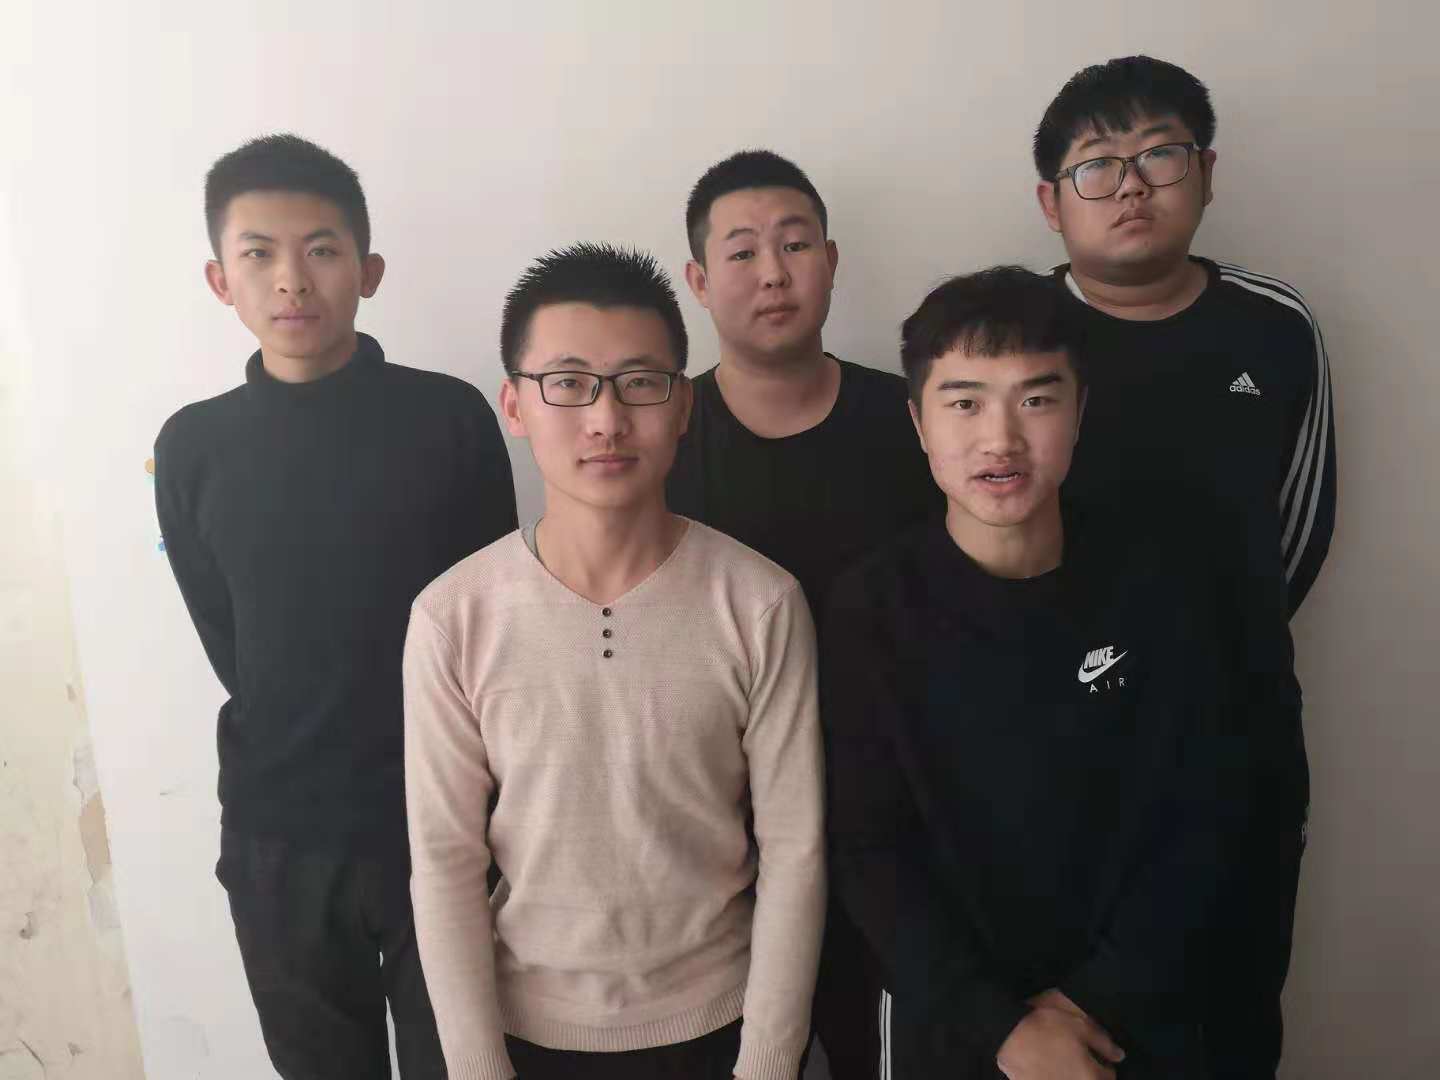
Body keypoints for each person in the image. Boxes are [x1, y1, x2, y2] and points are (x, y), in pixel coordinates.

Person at [825, 266, 1274, 1078]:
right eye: (965, 403)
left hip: (1136, 1013)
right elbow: (868, 848)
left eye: (1036, 399)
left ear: (1080, 410)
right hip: (947, 1025)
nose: (1000, 439)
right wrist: (1003, 1029)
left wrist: (1088, 1005)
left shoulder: (1161, 589)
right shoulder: (868, 611)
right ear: (918, 422)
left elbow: (1208, 809)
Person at [403, 242, 826, 1080]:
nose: (605, 418)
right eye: (567, 383)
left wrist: (768, 1063)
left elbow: (795, 850)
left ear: (683, 403)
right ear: (515, 405)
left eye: (639, 382)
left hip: (722, 1026)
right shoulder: (453, 616)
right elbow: (444, 863)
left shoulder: (760, 601)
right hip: (527, 1035)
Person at [154, 133, 517, 1079]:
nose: (292, 279)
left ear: (368, 269)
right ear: (219, 280)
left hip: (445, 822)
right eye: (258, 254)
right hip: (280, 835)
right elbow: (230, 638)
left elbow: (494, 620)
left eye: (321, 249)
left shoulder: (449, 420)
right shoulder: (193, 448)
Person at [1033, 55, 1336, 1077]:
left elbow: (1298, 531)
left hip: (1238, 731)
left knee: (1228, 1023)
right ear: (1051, 203)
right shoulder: (1017, 334)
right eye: (1096, 165)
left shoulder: (1275, 327)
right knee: (1063, 1027)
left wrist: (1209, 643)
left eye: (1158, 154)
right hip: (1058, 743)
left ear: (1205, 173)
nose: (1130, 185)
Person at [668, 148, 940, 1079]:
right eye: (742, 253)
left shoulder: (912, 421)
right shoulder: (661, 433)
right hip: (713, 828)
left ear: (832, 259)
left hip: (894, 814)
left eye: (794, 244)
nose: (773, 273)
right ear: (699, 282)